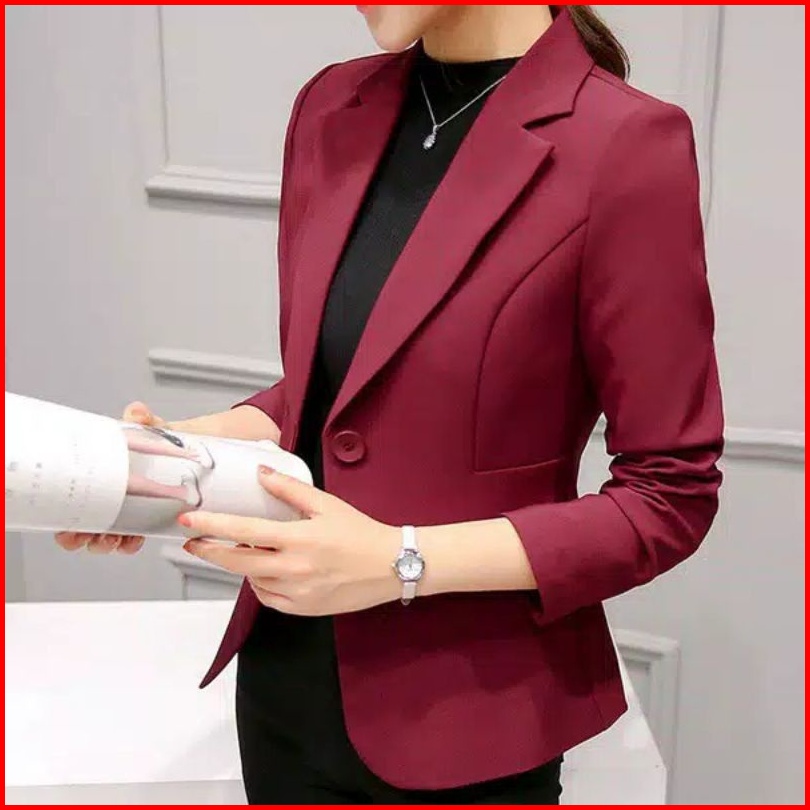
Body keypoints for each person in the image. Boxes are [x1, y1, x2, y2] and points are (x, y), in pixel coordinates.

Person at [56, 5, 724, 804]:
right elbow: (338, 389)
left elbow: (670, 494)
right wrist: (175, 454)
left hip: (468, 722)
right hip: (285, 686)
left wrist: (400, 562)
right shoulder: (332, 106)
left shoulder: (626, 145)